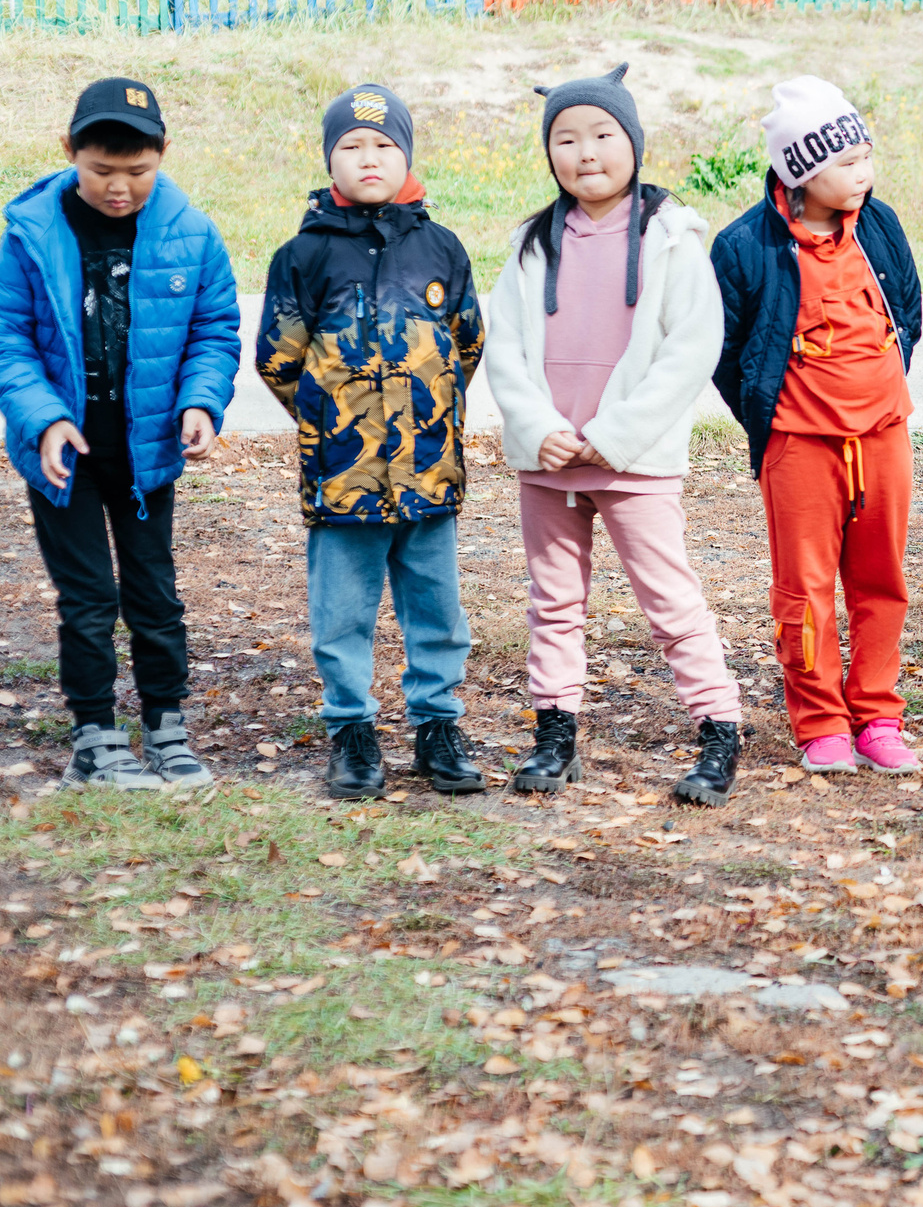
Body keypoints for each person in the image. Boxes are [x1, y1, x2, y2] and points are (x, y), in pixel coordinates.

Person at [482, 65, 747, 805]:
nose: (585, 152)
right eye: (565, 139)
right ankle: (554, 734)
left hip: (634, 462)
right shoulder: (534, 244)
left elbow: (692, 348)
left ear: (632, 141)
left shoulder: (671, 239)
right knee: (554, 601)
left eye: (602, 134)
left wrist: (615, 433)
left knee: (670, 600)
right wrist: (539, 428)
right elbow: (503, 347)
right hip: (551, 461)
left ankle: (719, 728)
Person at [0, 77, 238, 789]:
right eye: (102, 170)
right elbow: (9, 339)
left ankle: (167, 726)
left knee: (153, 592)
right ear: (69, 151)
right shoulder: (29, 233)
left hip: (146, 455)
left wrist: (200, 402)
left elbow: (214, 331)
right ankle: (95, 741)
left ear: (163, 154)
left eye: (137, 172)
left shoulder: (191, 233)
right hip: (63, 456)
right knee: (88, 598)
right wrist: (44, 418)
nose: (119, 187)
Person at [256, 85, 487, 800]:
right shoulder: (303, 254)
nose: (369, 158)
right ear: (331, 160)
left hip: (426, 478)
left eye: (384, 144)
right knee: (342, 613)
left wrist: (423, 419)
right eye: (351, 147)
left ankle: (437, 725)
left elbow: (468, 344)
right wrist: (333, 422)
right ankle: (351, 729)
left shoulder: (441, 247)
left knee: (437, 609)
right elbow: (278, 359)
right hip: (342, 478)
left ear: (406, 154)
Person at [711, 77, 923, 775]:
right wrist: (771, 419)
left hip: (884, 433)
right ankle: (821, 719)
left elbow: (910, 311)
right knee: (804, 588)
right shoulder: (745, 246)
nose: (864, 174)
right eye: (847, 163)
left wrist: (882, 384)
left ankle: (878, 713)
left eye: (867, 156)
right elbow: (727, 350)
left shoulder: (881, 224)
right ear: (800, 170)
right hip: (799, 443)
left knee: (881, 580)